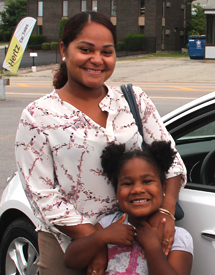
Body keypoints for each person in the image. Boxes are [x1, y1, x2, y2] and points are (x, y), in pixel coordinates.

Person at [15, 11, 186, 275]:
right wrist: (99, 240)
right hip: (71, 246)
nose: (97, 60)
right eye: (85, 49)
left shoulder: (133, 100)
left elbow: (171, 161)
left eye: (107, 52)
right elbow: (42, 195)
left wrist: (166, 209)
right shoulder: (38, 116)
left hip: (139, 239)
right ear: (64, 49)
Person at [64, 141, 193, 275]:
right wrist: (100, 237)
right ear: (116, 193)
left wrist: (152, 247)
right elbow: (70, 261)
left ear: (164, 187)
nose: (137, 189)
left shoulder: (177, 237)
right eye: (127, 183)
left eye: (147, 181)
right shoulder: (108, 225)